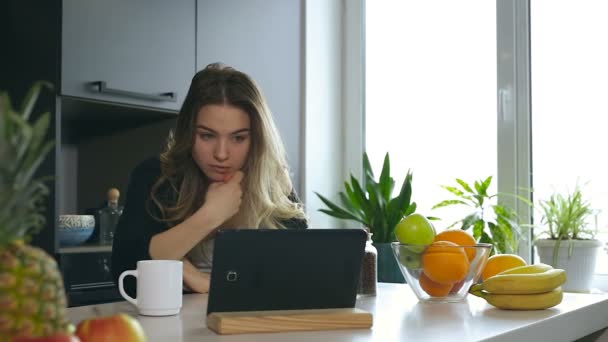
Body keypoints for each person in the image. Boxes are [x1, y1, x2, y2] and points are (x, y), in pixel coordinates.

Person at [111, 63, 308, 296]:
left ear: (257, 139)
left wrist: (186, 268)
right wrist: (210, 215)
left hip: (257, 325)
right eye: (207, 135)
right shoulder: (155, 176)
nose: (221, 154)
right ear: (188, 132)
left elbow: (298, 273)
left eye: (238, 138)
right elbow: (126, 271)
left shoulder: (274, 182)